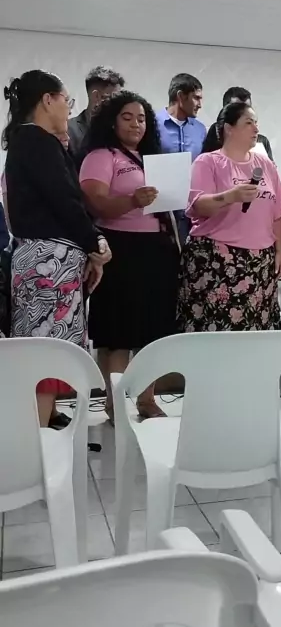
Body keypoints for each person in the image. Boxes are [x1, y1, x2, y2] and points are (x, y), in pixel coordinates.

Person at [2, 69, 111, 426]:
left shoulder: (29, 141)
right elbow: (65, 201)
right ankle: (36, 438)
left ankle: (43, 424)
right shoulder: (36, 141)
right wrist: (95, 241)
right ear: (47, 100)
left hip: (46, 259)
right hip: (48, 261)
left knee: (44, 346)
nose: (69, 108)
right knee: (46, 350)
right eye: (66, 100)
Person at [79, 90, 180, 421]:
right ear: (112, 121)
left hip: (156, 249)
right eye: (127, 117)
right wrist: (133, 201)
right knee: (118, 332)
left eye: (141, 118)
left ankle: (147, 400)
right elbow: (96, 204)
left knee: (152, 330)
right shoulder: (101, 155)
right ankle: (115, 404)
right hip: (118, 249)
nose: (136, 124)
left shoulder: (153, 158)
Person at [177, 101, 281, 332]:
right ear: (229, 128)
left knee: (255, 330)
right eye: (248, 123)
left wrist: (279, 251)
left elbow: (277, 214)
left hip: (260, 262)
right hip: (217, 259)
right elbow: (197, 206)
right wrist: (229, 196)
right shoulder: (208, 162)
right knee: (215, 329)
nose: (256, 129)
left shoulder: (265, 165)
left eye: (256, 123)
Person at [156, 73, 207, 243]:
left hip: (192, 213)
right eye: (196, 98)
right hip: (160, 214)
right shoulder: (152, 125)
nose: (200, 104)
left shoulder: (200, 129)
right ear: (180, 96)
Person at [68, 66, 125, 167]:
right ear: (96, 96)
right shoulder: (69, 131)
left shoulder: (121, 129)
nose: (119, 105)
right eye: (115, 99)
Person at [203, 87, 274, 160]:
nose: (243, 113)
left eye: (247, 108)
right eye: (236, 109)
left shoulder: (262, 141)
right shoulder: (215, 133)